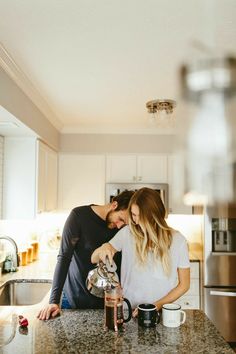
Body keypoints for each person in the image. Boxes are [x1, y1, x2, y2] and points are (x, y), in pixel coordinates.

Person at [37, 190, 134, 320]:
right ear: (114, 205)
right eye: (121, 219)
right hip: (74, 300)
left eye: (125, 224)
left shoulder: (123, 229)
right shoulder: (79, 217)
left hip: (107, 304)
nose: (120, 226)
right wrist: (53, 301)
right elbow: (64, 258)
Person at [91, 187, 190, 315]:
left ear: (153, 216)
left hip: (160, 313)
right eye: (133, 214)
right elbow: (93, 258)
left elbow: (184, 285)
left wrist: (155, 306)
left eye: (139, 216)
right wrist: (104, 248)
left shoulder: (178, 241)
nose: (135, 220)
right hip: (129, 312)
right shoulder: (127, 233)